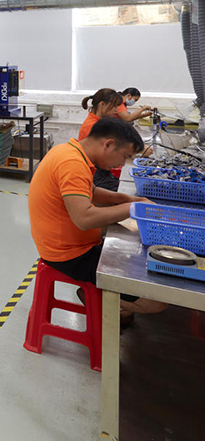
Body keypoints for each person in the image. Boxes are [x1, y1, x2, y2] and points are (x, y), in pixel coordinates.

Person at [29, 118, 166, 323]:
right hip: (70, 255)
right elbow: (84, 218)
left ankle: (109, 301)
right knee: (156, 301)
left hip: (70, 245)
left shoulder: (68, 151)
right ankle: (103, 300)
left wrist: (129, 199)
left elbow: (91, 192)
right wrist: (133, 208)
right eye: (125, 156)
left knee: (134, 253)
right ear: (108, 144)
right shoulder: (72, 164)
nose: (122, 164)